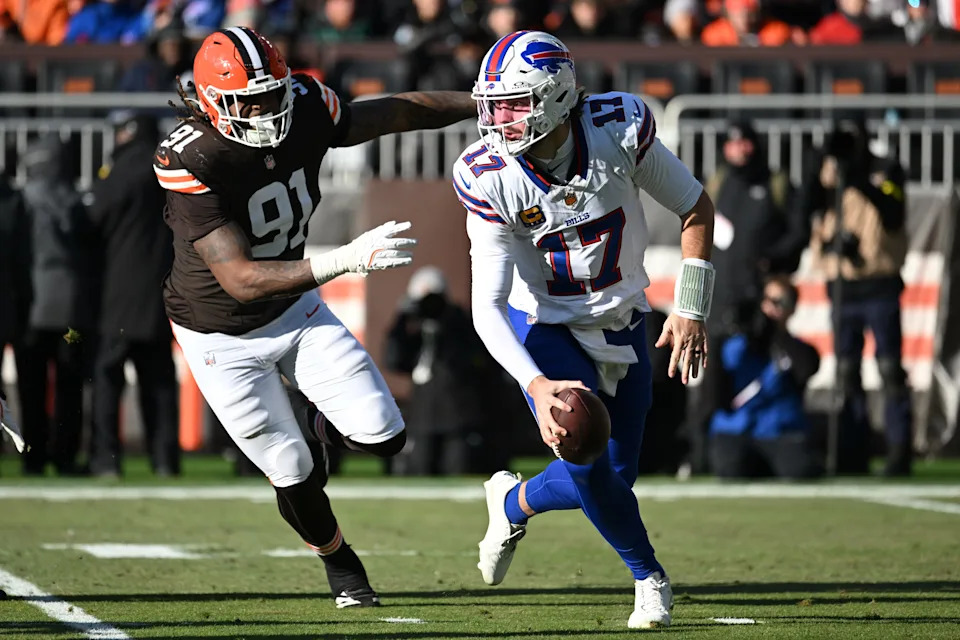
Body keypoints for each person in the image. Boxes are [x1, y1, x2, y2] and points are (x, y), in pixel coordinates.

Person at [154, 26, 476, 608]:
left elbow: (393, 113)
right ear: (210, 101)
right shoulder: (191, 156)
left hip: (295, 311)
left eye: (271, 91)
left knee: (384, 436)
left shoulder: (303, 104)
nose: (265, 109)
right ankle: (342, 565)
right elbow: (240, 279)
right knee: (292, 468)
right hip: (217, 333)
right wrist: (345, 260)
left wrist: (480, 103)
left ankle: (320, 421)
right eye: (246, 100)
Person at [455, 31, 715, 629]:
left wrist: (692, 304)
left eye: (515, 102)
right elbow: (486, 307)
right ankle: (650, 579)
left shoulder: (617, 128)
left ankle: (513, 500)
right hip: (546, 324)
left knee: (612, 477)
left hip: (624, 319)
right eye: (492, 103)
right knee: (585, 453)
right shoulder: (488, 174)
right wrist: (537, 382)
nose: (499, 118)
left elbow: (695, 207)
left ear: (559, 94)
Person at [803, 119, 911, 476]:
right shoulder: (828, 174)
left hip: (879, 283)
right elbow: (808, 208)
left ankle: (899, 450)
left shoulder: (887, 169)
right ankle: (854, 450)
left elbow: (893, 214)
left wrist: (857, 177)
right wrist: (819, 160)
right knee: (847, 373)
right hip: (842, 285)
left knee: (889, 369)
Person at [89, 112, 179, 478]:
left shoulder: (120, 173)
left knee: (108, 379)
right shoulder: (168, 172)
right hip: (160, 292)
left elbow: (94, 221)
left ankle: (106, 460)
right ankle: (165, 461)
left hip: (118, 296)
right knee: (158, 383)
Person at [384, 265, 510, 476]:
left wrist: (451, 325)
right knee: (419, 470)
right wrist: (402, 321)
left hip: (459, 418)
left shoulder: (461, 324)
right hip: (422, 418)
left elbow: (473, 363)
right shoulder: (413, 329)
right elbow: (394, 361)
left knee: (460, 468)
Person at [706, 276, 822, 480]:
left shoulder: (794, 348)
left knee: (800, 469)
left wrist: (775, 334)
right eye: (767, 301)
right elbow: (715, 389)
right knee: (730, 469)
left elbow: (807, 367)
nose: (770, 309)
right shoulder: (736, 345)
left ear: (792, 308)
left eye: (779, 303)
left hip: (779, 432)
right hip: (737, 429)